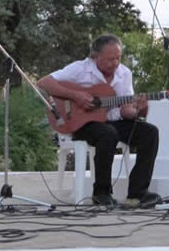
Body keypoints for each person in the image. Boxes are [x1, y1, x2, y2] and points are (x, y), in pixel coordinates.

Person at [38, 34, 159, 208]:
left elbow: (126, 111)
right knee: (108, 134)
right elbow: (44, 82)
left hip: (114, 121)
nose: (115, 63)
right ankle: (101, 193)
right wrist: (76, 96)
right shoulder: (79, 69)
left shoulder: (125, 73)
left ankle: (138, 193)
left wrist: (139, 109)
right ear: (95, 57)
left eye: (118, 58)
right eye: (110, 59)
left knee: (150, 132)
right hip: (82, 123)